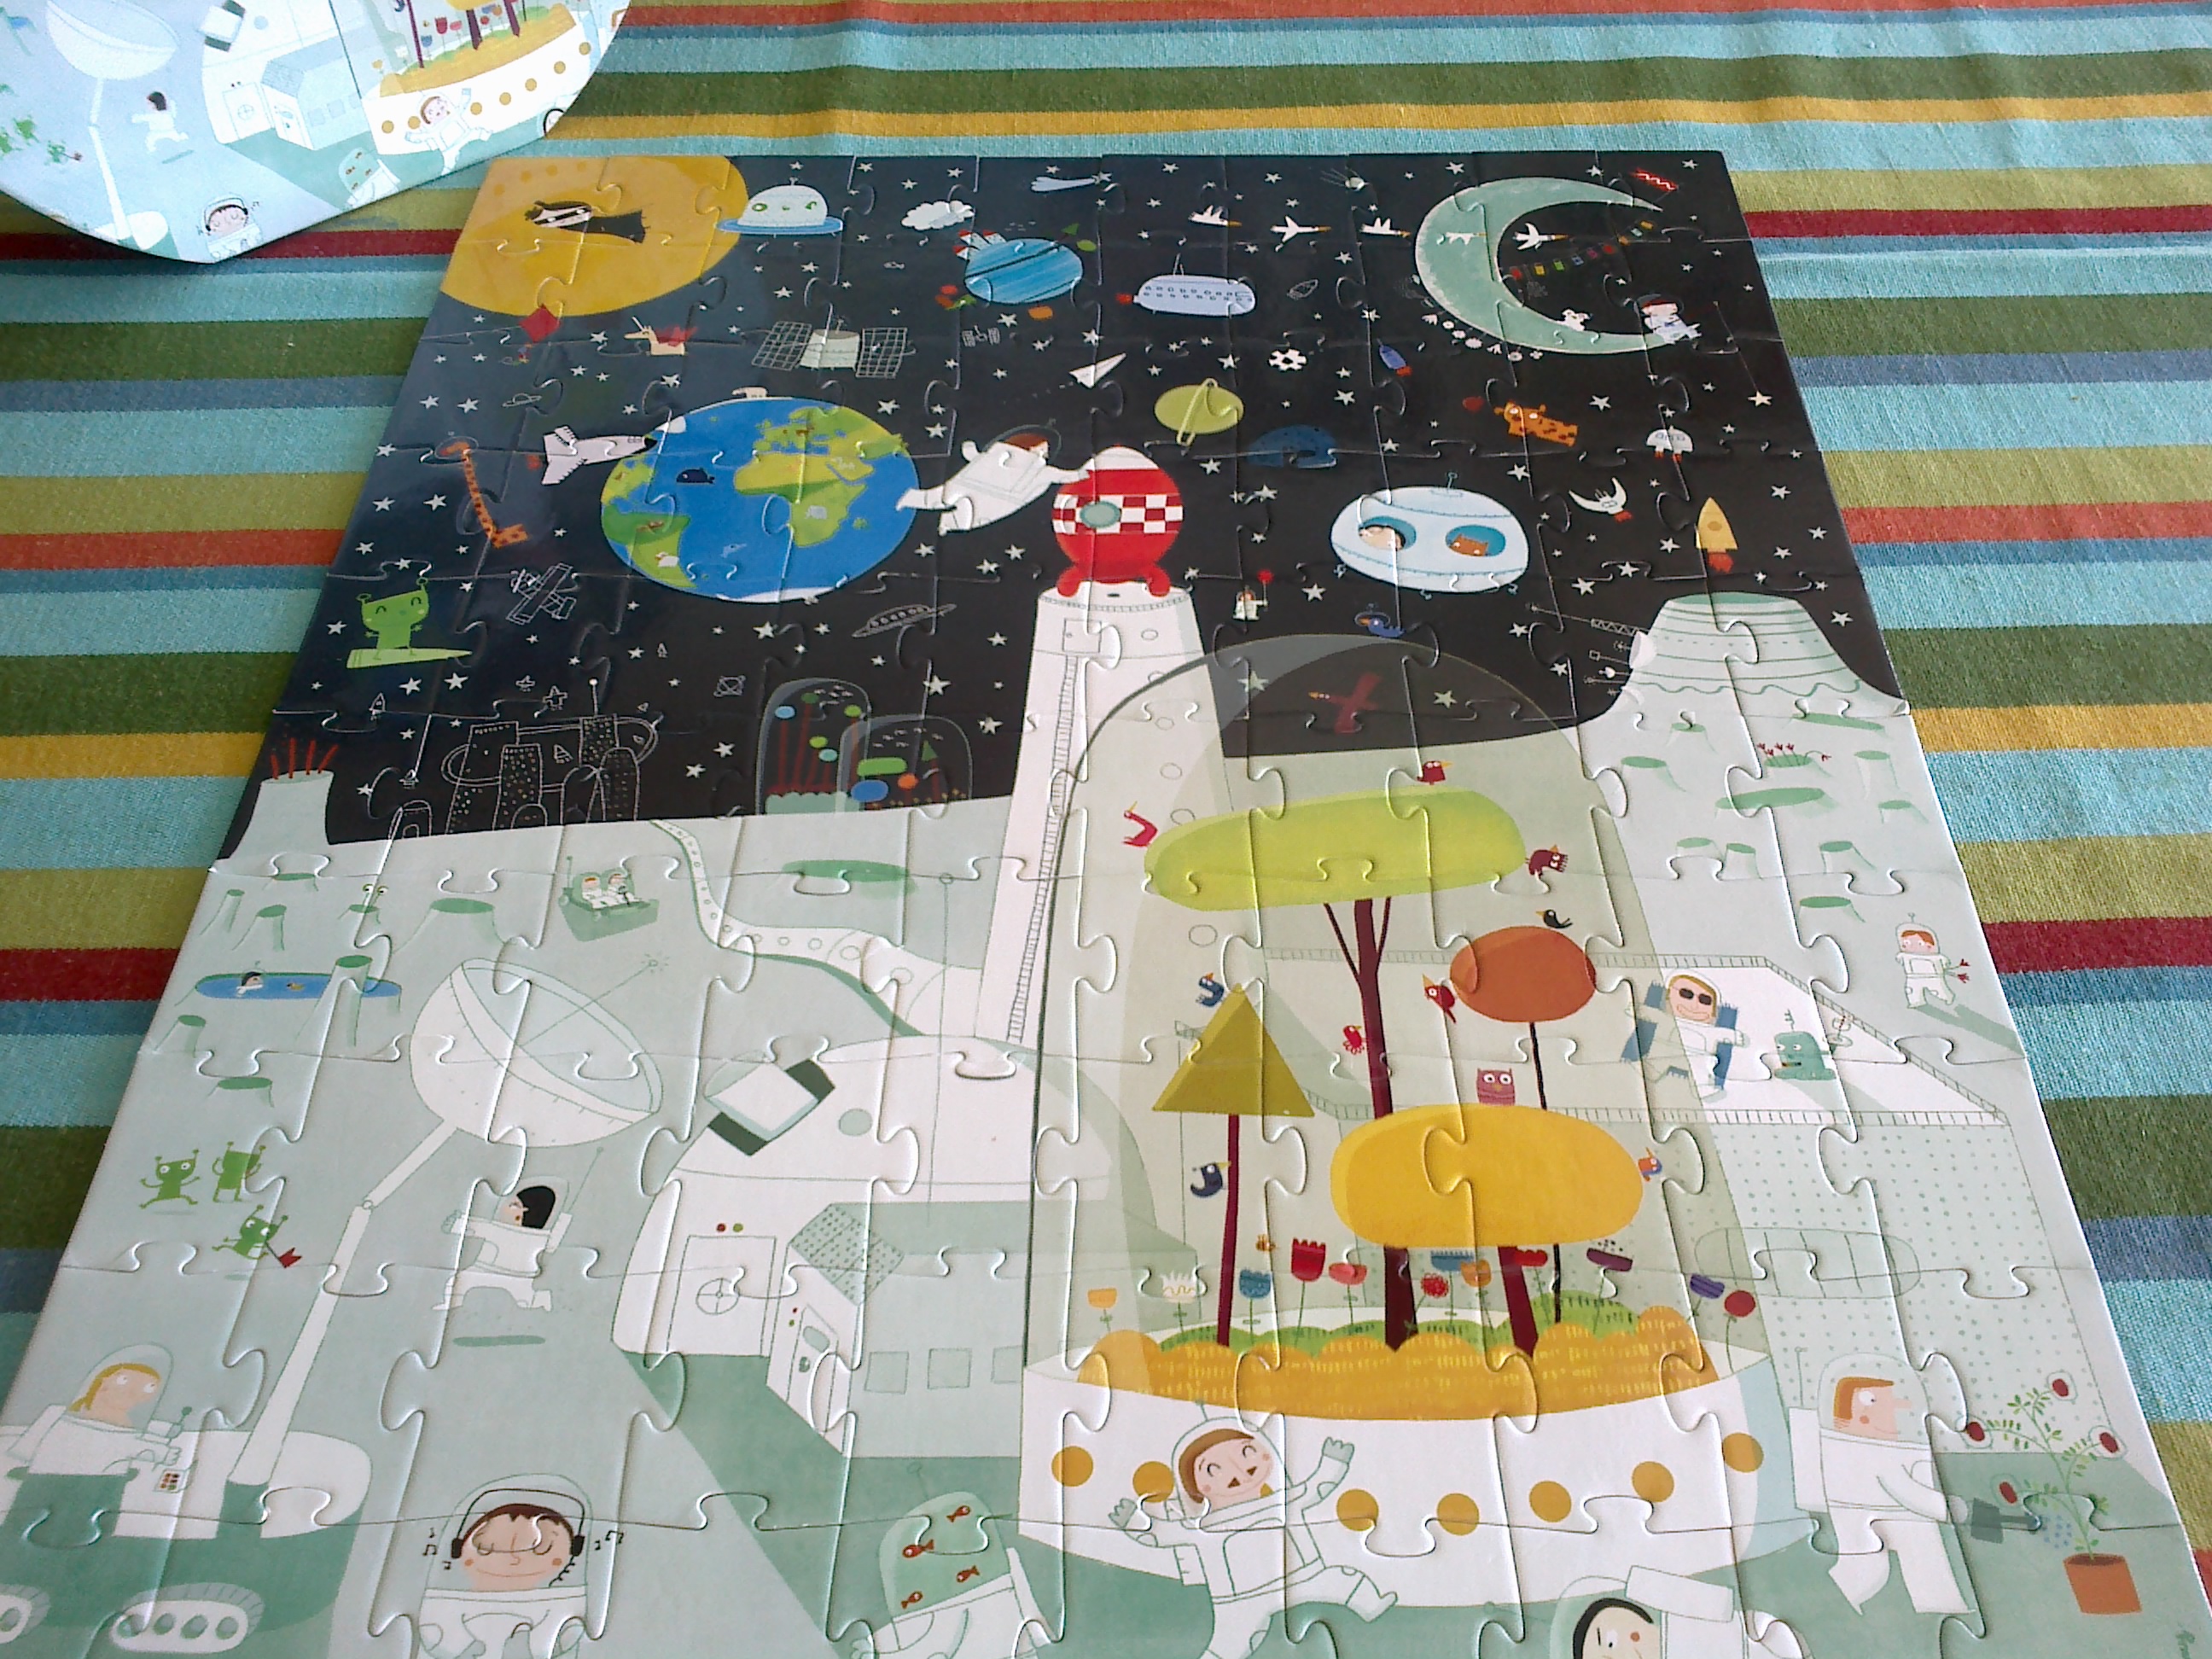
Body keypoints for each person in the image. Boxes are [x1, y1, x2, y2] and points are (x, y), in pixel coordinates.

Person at [1109, 1426, 1394, 1659]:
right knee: (1229, 1645)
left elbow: (1314, 1489)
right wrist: (1132, 1522)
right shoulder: (1203, 1526)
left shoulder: (1281, 1502)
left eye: (1246, 1452)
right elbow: (1161, 1535)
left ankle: (1372, 1605)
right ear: (1198, 1489)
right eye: (1213, 1469)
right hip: (1239, 1600)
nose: (1237, 1470)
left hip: (1304, 1576)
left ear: (1266, 1455)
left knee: (1345, 1579)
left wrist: (1332, 1463)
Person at [1791, 1371, 1970, 1615]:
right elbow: (1910, 1493)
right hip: (1872, 1516)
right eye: (1886, 1407)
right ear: (1861, 1416)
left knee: (1892, 1557)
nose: (1894, 1414)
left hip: (1878, 1515)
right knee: (1885, 1561)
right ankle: (1938, 1600)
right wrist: (1956, 1510)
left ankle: (1938, 1600)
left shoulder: (1850, 1446)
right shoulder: (1869, 1450)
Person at [418, 1487, 588, 1659]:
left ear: (572, 1551)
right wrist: (466, 1647)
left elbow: (568, 1635)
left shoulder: (559, 1601)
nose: (514, 1559)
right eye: (487, 1548)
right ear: (458, 1550)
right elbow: (432, 1633)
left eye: (543, 1549)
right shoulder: (446, 1601)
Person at [898, 433, 1084, 534]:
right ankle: (916, 502)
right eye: (1042, 449)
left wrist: (969, 447)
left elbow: (1063, 476)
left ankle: (938, 518)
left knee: (960, 512)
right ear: (1028, 446)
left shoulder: (1040, 470)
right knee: (944, 500)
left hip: (993, 496)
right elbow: (974, 456)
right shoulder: (1002, 457)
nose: (1044, 454)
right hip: (977, 487)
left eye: (1045, 451)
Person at [439, 1185, 570, 1312]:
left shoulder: (500, 1230)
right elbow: (552, 1245)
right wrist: (564, 1220)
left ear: (524, 1211)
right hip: (510, 1274)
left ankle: (541, 1298)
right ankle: (540, 1299)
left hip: (498, 1273)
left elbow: (475, 1227)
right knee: (524, 1300)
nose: (505, 1207)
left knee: (459, 1280)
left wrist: (456, 1223)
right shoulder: (541, 1237)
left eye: (513, 1205)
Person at [1895, 928, 1958, 1010]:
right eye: (1906, 943)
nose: (1911, 946)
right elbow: (1899, 958)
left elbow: (1945, 962)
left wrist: (1943, 966)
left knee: (1937, 990)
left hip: (1932, 977)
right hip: (1913, 977)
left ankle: (1947, 997)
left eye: (1919, 943)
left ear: (1929, 946)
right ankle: (1916, 1001)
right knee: (1912, 990)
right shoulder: (1906, 956)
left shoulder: (1935, 957)